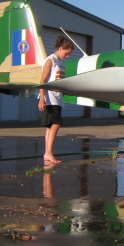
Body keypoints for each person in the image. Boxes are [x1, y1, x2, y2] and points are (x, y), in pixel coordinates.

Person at [39, 36, 74, 164]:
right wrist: (42, 98)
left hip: (57, 99)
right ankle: (49, 152)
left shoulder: (60, 63)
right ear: (60, 49)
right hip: (50, 98)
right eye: (66, 53)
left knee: (50, 126)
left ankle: (47, 153)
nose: (67, 56)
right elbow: (43, 81)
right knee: (56, 124)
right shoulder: (50, 61)